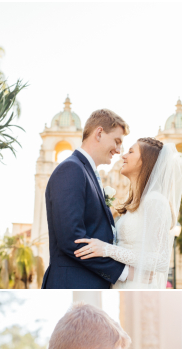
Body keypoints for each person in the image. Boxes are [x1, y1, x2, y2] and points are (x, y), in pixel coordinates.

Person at [76, 139, 182, 292]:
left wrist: (107, 250)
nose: (123, 156)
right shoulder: (138, 201)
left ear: (144, 161)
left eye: (131, 152)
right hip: (121, 283)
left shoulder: (155, 201)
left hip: (139, 287)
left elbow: (160, 261)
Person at [42, 109, 127, 290]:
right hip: (73, 283)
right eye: (117, 141)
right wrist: (121, 271)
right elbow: (72, 239)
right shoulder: (71, 169)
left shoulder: (87, 172)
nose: (119, 150)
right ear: (99, 133)